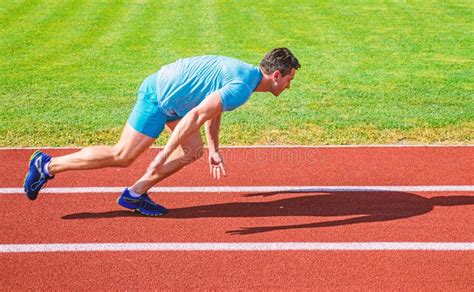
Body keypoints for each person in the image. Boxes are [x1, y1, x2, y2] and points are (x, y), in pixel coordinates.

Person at [24, 48, 301, 216]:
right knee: (123, 155)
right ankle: (47, 165)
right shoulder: (242, 87)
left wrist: (215, 149)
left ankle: (135, 193)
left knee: (194, 150)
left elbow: (211, 109)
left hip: (176, 100)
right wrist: (163, 153)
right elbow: (195, 115)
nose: (289, 86)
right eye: (289, 79)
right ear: (276, 75)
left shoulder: (244, 75)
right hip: (159, 98)